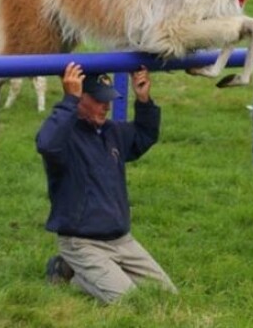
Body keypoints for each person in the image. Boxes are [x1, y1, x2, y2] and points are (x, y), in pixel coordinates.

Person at [38, 63, 177, 303]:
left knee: (167, 296)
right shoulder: (64, 136)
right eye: (100, 99)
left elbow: (144, 136)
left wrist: (144, 100)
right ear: (80, 97)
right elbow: (47, 144)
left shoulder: (112, 132)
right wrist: (68, 101)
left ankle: (80, 271)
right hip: (81, 242)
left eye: (109, 98)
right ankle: (72, 274)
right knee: (129, 301)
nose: (107, 106)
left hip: (122, 240)